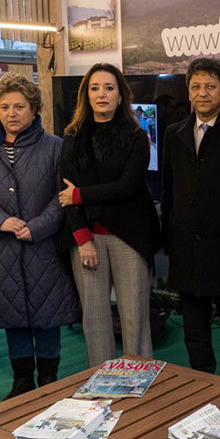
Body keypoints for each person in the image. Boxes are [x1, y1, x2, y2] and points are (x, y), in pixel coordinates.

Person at [0, 72, 80, 399]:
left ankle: (49, 380)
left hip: (44, 248)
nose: (11, 113)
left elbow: (62, 196)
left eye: (19, 106)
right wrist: (1, 221)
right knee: (14, 317)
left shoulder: (55, 147)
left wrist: (37, 226)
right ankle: (22, 382)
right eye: (4, 106)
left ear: (34, 108)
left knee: (48, 316)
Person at [57, 63, 159, 367]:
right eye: (95, 88)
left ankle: (138, 381)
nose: (102, 94)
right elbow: (64, 192)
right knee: (94, 319)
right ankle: (101, 383)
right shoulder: (72, 136)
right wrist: (82, 238)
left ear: (120, 96)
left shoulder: (137, 137)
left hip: (130, 236)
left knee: (134, 318)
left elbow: (127, 187)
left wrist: (81, 194)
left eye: (109, 88)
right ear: (86, 95)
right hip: (86, 239)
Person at [161, 58, 220, 381]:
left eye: (211, 86)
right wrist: (169, 239)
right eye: (196, 86)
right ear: (188, 92)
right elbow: (168, 190)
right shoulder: (174, 133)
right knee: (194, 330)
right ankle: (202, 383)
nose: (203, 93)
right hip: (187, 248)